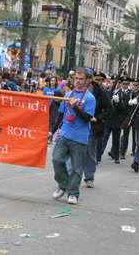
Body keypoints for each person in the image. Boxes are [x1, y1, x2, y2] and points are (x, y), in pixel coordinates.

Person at [46, 68, 96, 204]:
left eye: (81, 79)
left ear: (87, 80)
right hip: (64, 133)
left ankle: (73, 193)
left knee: (77, 167)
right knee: (56, 159)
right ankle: (63, 185)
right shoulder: (68, 95)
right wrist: (53, 130)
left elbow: (87, 118)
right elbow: (61, 115)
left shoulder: (90, 98)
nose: (78, 81)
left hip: (80, 137)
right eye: (76, 78)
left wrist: (75, 108)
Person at [80, 70, 112, 188]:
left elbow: (109, 109)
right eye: (78, 78)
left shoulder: (99, 92)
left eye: (84, 78)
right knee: (70, 153)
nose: (80, 81)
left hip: (91, 129)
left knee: (90, 154)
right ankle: (66, 176)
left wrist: (97, 118)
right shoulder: (74, 90)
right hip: (75, 127)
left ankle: (89, 177)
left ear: (90, 79)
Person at [101, 75, 124, 164]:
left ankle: (116, 156)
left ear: (119, 84)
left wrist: (118, 102)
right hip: (108, 119)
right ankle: (100, 153)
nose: (113, 84)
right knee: (104, 137)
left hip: (117, 119)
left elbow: (124, 108)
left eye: (115, 82)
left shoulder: (123, 93)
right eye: (111, 82)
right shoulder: (107, 92)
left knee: (116, 139)